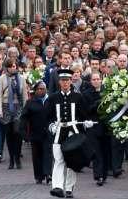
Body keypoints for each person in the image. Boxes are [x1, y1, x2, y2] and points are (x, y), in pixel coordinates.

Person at [47, 69, 94, 198]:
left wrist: (86, 122)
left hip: (74, 131)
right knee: (58, 160)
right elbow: (47, 116)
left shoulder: (78, 97)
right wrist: (51, 126)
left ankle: (68, 188)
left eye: (67, 80)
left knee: (72, 162)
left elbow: (84, 114)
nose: (65, 83)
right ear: (59, 82)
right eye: (63, 80)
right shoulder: (53, 98)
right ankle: (57, 187)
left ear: (70, 81)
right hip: (59, 131)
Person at [0, 59, 28, 169]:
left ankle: (17, 157)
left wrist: (25, 110)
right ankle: (11, 159)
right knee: (9, 135)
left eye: (14, 66)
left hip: (18, 107)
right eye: (10, 66)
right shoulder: (2, 78)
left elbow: (25, 95)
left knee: (17, 133)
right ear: (6, 68)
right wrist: (0, 110)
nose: (12, 68)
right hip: (6, 107)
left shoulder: (21, 78)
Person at [20, 81, 52, 184]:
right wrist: (24, 133)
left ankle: (48, 174)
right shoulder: (30, 102)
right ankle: (39, 176)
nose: (41, 91)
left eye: (43, 89)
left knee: (47, 153)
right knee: (37, 155)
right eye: (39, 89)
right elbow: (24, 118)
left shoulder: (50, 100)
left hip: (48, 132)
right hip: (35, 133)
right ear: (36, 90)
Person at [83, 71, 109, 186]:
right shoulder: (86, 94)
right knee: (97, 151)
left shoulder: (107, 92)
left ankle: (104, 174)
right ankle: (98, 176)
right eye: (94, 79)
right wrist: (98, 103)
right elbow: (86, 110)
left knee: (105, 151)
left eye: (98, 79)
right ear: (90, 81)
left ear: (101, 80)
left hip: (106, 125)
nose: (96, 81)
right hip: (93, 126)